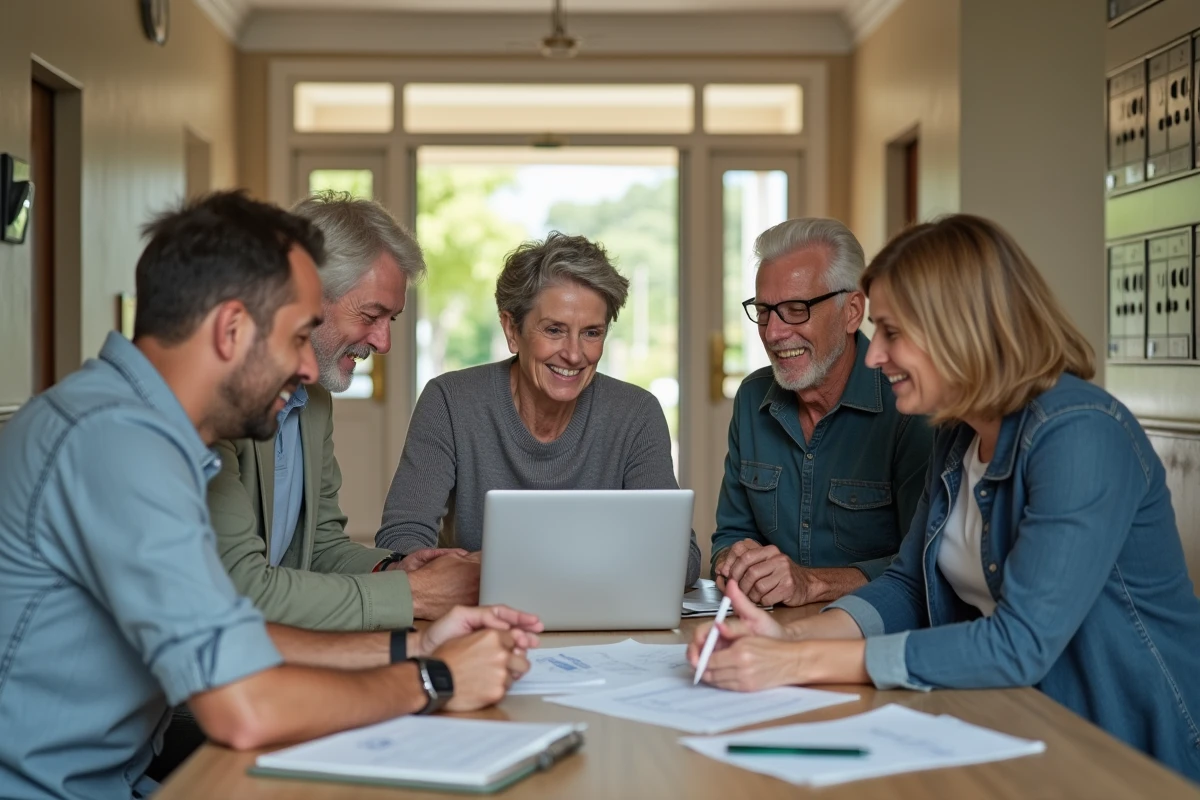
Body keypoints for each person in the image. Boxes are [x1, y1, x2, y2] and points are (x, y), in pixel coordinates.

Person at [0, 191, 540, 800]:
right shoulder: (116, 445)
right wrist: (434, 678)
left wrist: (412, 643)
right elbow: (244, 706)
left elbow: (229, 630)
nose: (307, 369)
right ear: (231, 329)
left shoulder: (142, 428)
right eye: (297, 335)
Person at [688, 214, 1200, 781]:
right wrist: (784, 635)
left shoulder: (1080, 432)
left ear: (961, 328)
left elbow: (1020, 642)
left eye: (892, 332)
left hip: (1126, 751)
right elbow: (909, 585)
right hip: (1009, 723)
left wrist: (800, 660)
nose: (875, 356)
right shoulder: (958, 434)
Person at [208, 191, 476, 630]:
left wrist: (396, 571)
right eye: (372, 315)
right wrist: (417, 595)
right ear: (308, 297)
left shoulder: (313, 401)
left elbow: (317, 548)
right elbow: (237, 587)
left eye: (392, 320)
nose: (384, 342)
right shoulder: (218, 404)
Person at [377, 231, 702, 588]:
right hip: (481, 622)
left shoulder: (637, 413)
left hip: (602, 622)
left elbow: (681, 561)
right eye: (554, 330)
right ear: (511, 329)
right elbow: (400, 543)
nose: (575, 354)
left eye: (592, 333)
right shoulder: (450, 401)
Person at [710, 218, 932, 607]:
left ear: (851, 311)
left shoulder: (909, 402)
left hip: (875, 634)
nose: (774, 332)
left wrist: (812, 583)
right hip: (767, 630)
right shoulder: (751, 398)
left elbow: (926, 564)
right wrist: (734, 561)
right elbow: (730, 533)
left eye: (796, 309)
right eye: (764, 311)